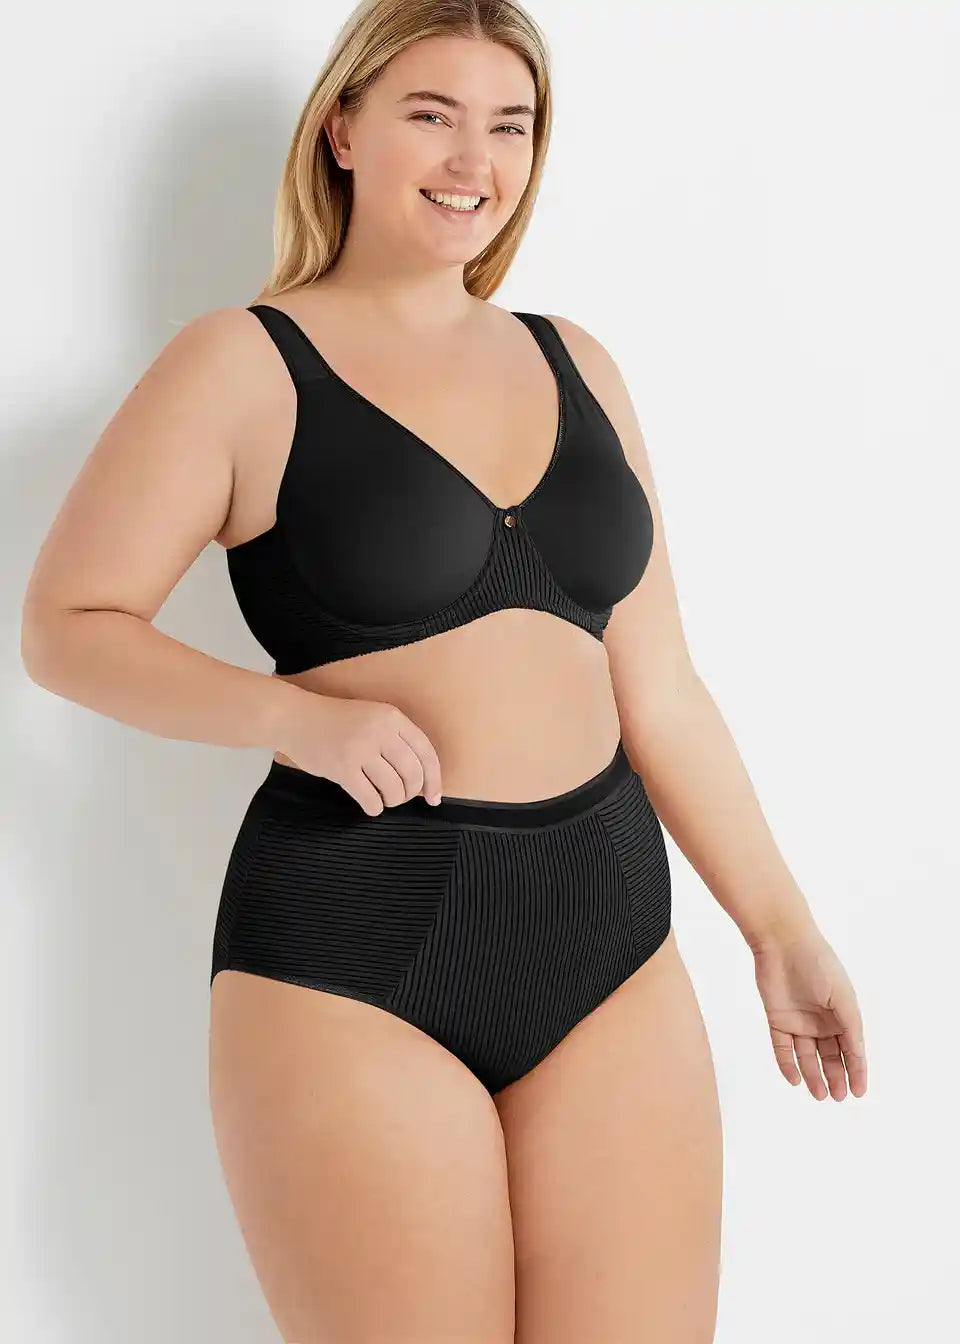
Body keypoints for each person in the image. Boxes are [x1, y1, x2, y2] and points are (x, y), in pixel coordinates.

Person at [20, 1, 868, 1340]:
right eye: (432, 114)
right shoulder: (243, 364)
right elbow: (68, 623)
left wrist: (781, 928)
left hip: (607, 936)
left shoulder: (576, 362)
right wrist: (292, 716)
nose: (475, 159)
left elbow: (660, 686)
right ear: (344, 130)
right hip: (357, 947)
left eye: (509, 125)